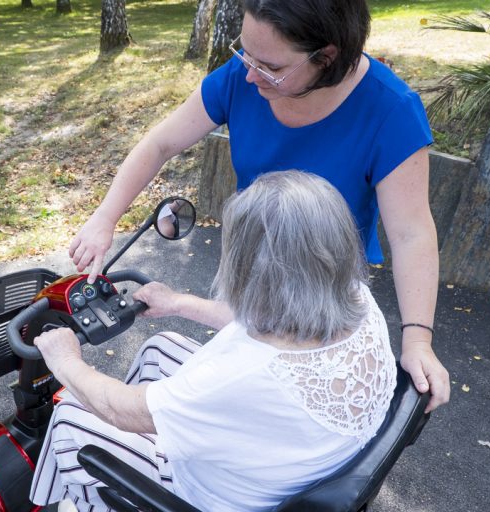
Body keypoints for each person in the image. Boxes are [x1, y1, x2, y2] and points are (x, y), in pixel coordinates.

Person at [67, 0, 449, 412]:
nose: (249, 74)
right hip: (251, 269)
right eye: (245, 52)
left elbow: (411, 233)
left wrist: (417, 339)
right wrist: (105, 217)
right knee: (238, 383)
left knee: (263, 397)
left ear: (326, 56)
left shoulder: (391, 111)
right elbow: (160, 143)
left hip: (321, 292)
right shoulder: (244, 76)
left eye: (270, 66)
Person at [30, 171, 398, 511]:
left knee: (70, 416)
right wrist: (178, 303)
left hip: (209, 496)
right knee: (159, 349)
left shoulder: (242, 378)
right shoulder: (356, 298)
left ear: (255, 270)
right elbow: (277, 318)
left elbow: (119, 410)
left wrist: (65, 361)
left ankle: (56, 499)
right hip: (289, 457)